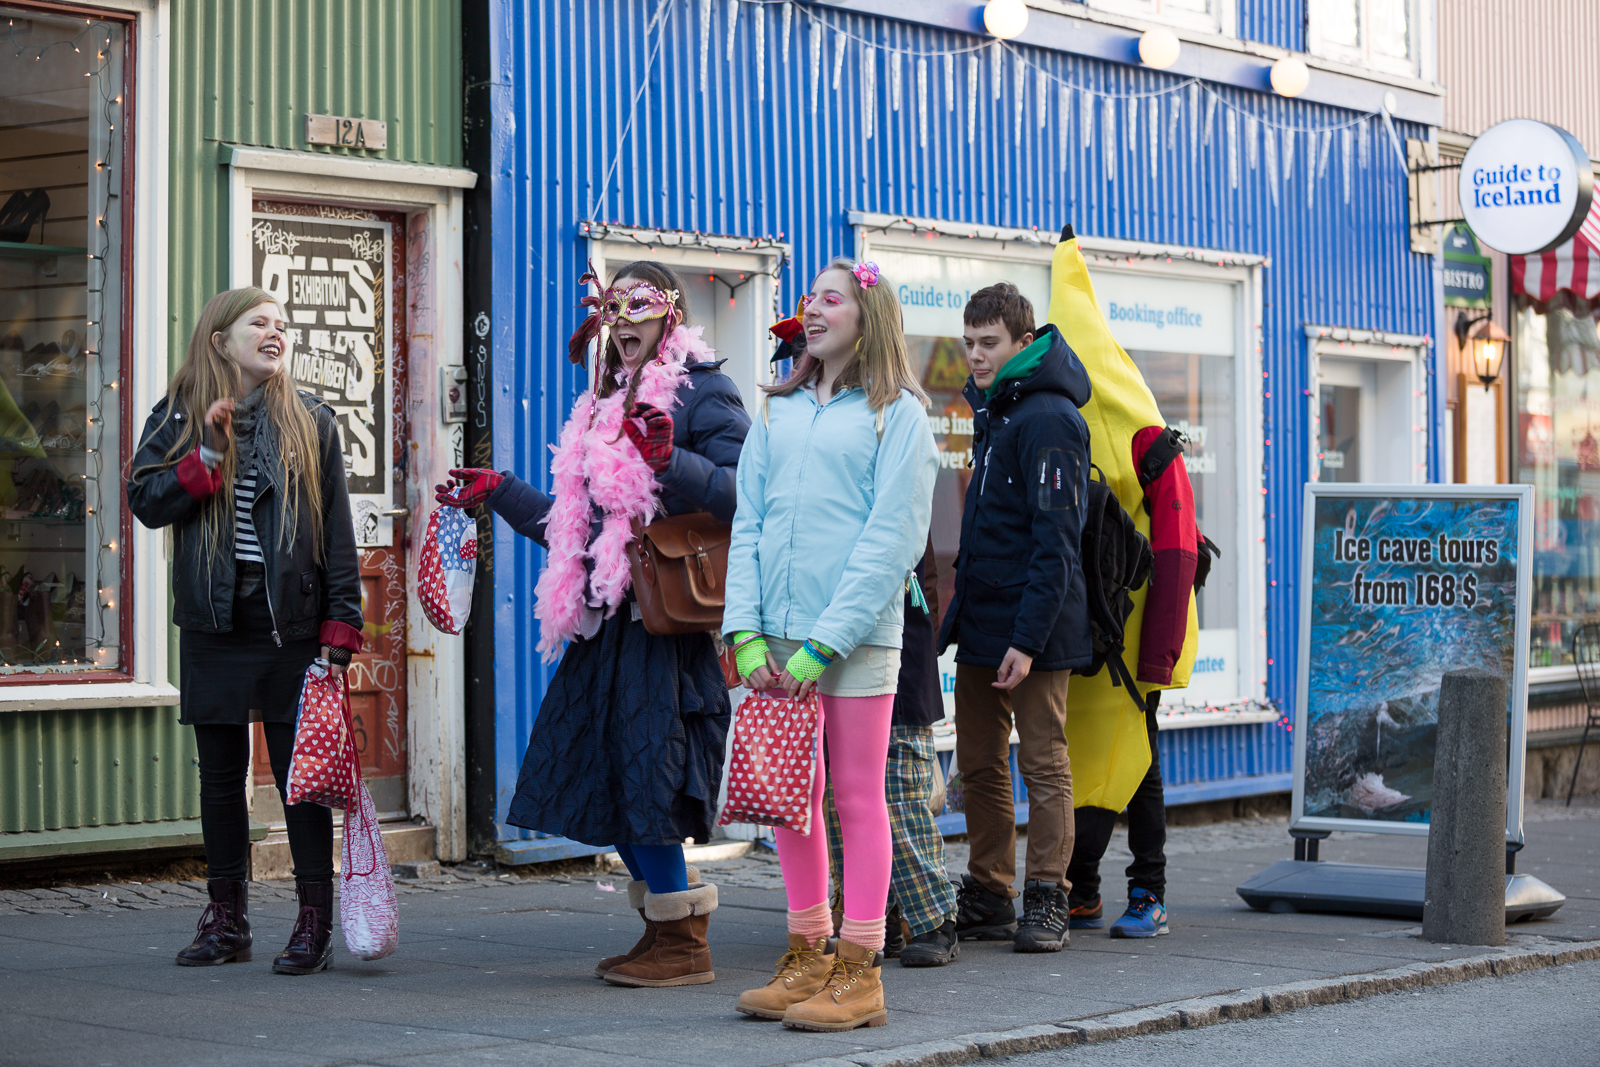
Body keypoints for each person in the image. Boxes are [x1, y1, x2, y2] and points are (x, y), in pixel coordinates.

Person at [436, 262, 748, 987]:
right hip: (607, 624)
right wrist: (503, 493)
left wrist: (673, 460)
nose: (620, 319)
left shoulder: (704, 390)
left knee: (650, 781)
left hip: (663, 626)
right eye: (611, 308)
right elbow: (577, 531)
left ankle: (686, 941)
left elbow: (743, 493)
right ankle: (662, 928)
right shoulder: (602, 402)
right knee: (605, 777)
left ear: (669, 314)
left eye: (636, 304)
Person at [127, 287, 364, 975]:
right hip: (215, 622)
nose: (275, 332)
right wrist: (202, 457)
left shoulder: (311, 419)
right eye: (258, 322)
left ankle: (312, 921)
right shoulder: (176, 416)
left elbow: (337, 536)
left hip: (288, 626)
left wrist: (341, 623)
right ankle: (227, 918)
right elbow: (144, 501)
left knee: (303, 777)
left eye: (281, 324)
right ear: (219, 339)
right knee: (221, 777)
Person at [726, 258, 937, 1032]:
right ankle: (808, 953)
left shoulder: (899, 416)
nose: (812, 309)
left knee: (854, 796)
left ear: (866, 316)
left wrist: (824, 642)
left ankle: (860, 969)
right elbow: (746, 523)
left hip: (854, 641)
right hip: (774, 638)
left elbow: (892, 541)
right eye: (810, 298)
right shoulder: (777, 411)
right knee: (791, 800)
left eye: (831, 298)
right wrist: (745, 633)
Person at [937, 282, 1092, 954]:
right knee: (978, 762)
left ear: (1023, 343)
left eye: (989, 343)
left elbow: (1056, 542)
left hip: (1037, 628)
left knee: (1043, 760)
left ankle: (1048, 896)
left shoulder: (1050, 416)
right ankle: (991, 890)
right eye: (969, 342)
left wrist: (1026, 641)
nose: (975, 354)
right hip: (982, 621)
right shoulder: (997, 409)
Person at [824, 542, 960, 967]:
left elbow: (920, 577)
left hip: (897, 644)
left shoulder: (892, 479)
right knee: (836, 795)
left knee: (900, 794)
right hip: (830, 646)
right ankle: (871, 915)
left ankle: (934, 919)